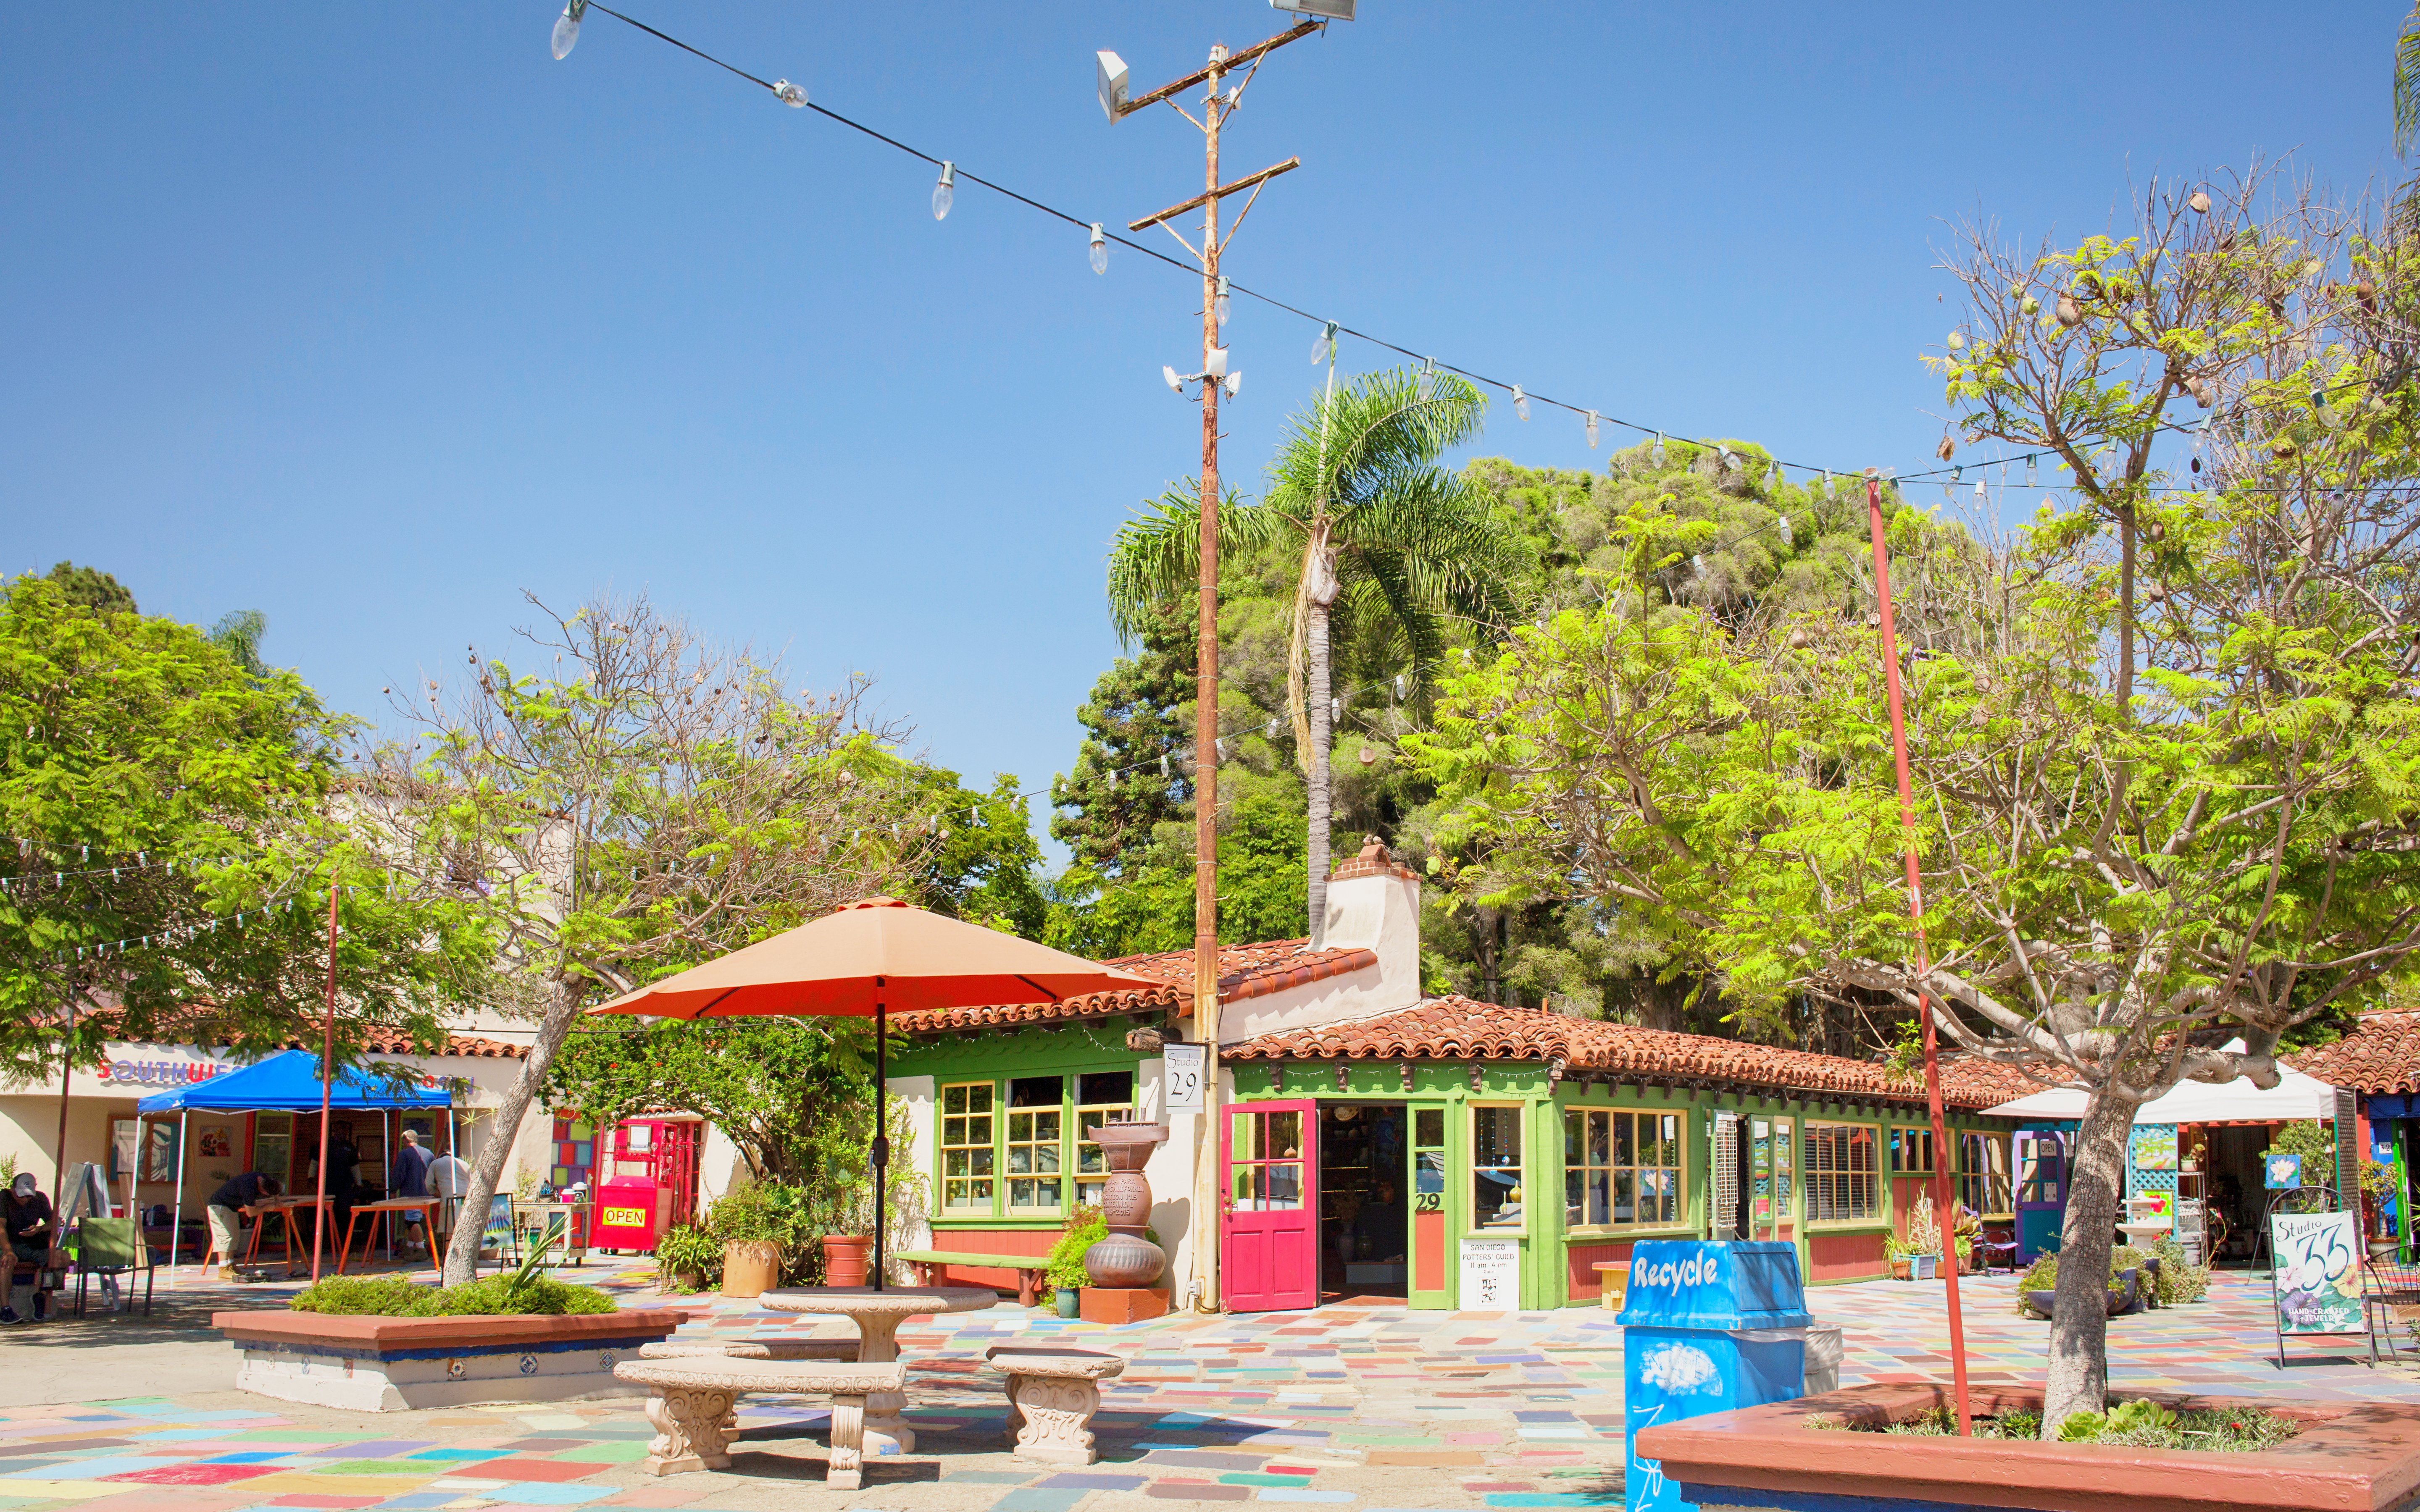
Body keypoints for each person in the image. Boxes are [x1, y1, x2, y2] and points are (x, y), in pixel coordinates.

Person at [206, 1172, 282, 1280]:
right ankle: (223, 1269)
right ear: (264, 1192)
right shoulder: (249, 1188)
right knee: (225, 1237)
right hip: (219, 1207)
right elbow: (251, 1213)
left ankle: (231, 1266)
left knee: (234, 1237)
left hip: (231, 1208)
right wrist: (267, 1207)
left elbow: (274, 1190)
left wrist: (277, 1200)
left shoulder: (265, 1178)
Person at [3, 1174, 56, 1325]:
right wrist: (8, 1251)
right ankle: (5, 1309)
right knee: (7, 1261)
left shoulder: (40, 1198)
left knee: (59, 1258)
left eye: (28, 1196)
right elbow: (1, 1227)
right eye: (21, 1196)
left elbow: (53, 1222)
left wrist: (39, 1229)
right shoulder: (4, 1198)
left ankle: (40, 1296)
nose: (25, 1200)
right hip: (9, 1244)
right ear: (12, 1190)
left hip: (31, 1245)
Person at [311, 1121, 360, 1256]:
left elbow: (355, 1167)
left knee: (344, 1215)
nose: (343, 1132)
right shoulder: (325, 1144)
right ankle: (323, 1245)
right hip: (327, 1186)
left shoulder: (350, 1147)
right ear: (334, 1130)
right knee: (325, 1215)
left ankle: (344, 1246)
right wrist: (311, 1177)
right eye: (340, 1129)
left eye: (345, 1129)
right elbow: (315, 1162)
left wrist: (359, 1183)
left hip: (345, 1188)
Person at [392, 1130, 434, 1260]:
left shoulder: (404, 1154)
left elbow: (399, 1174)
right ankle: (409, 1249)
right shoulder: (429, 1153)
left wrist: (393, 1190)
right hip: (426, 1194)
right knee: (415, 1220)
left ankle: (421, 1250)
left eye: (403, 1141)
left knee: (412, 1221)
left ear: (406, 1139)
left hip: (411, 1194)